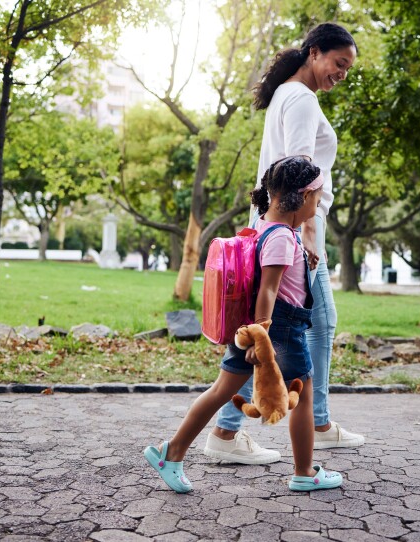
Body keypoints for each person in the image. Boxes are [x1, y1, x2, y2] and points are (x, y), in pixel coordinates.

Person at [204, 22, 364, 464]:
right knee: (293, 327)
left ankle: (247, 429)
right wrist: (306, 238)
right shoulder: (301, 98)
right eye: (338, 63)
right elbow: (298, 175)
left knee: (293, 327)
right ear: (314, 53)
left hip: (288, 232)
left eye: (348, 68)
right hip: (294, 236)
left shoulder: (288, 95)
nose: (341, 74)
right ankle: (304, 425)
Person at [144, 156, 343, 492]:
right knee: (303, 396)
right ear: (302, 197)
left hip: (251, 329)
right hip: (277, 331)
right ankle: (305, 472)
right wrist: (260, 340)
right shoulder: (282, 237)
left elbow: (273, 273)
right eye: (319, 197)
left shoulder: (270, 226)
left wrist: (300, 256)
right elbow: (268, 290)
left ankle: (172, 452)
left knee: (221, 390)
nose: (320, 203)